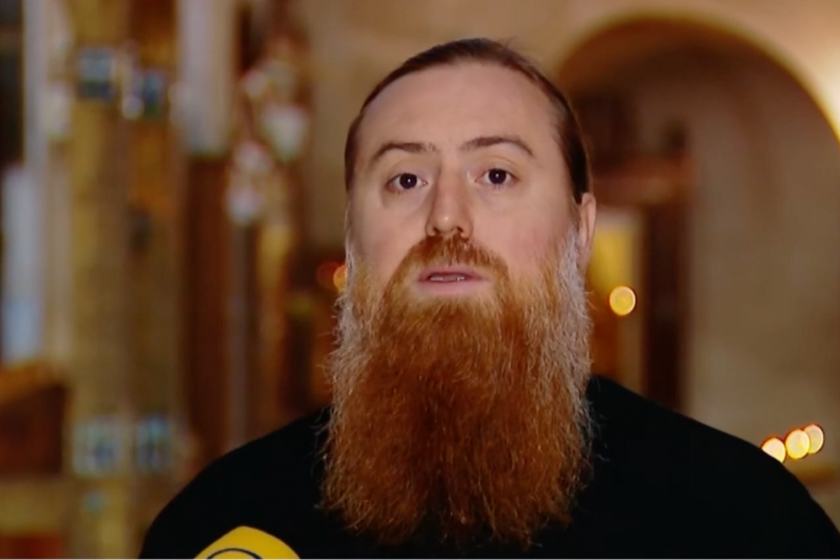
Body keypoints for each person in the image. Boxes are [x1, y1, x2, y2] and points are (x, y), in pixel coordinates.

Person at [140, 38, 840, 559]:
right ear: (354, 239)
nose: (447, 217)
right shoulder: (225, 521)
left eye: (497, 175)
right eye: (406, 180)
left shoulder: (742, 523)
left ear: (580, 231)